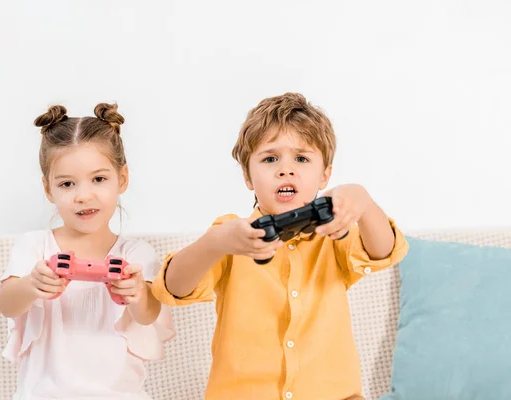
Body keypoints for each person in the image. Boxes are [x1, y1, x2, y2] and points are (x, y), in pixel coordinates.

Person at [151, 92, 409, 400]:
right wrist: (214, 243)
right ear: (248, 175)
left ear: (325, 174)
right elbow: (174, 287)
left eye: (301, 158)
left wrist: (363, 202)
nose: (286, 170)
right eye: (270, 158)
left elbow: (383, 250)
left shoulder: (334, 233)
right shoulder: (232, 235)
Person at [0, 103, 174, 400]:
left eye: (99, 179)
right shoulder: (34, 247)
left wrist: (137, 293)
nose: (83, 195)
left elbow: (147, 316)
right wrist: (32, 284)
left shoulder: (136, 254)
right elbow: (6, 304)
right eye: (67, 183)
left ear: (123, 178)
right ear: (48, 189)